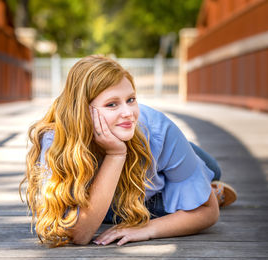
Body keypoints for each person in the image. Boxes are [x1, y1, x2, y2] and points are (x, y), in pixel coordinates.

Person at [20, 55, 237, 247]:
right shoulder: (56, 139)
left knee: (209, 170)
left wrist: (147, 230)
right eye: (112, 105)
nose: (128, 113)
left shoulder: (158, 129)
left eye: (131, 100)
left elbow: (208, 211)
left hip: (152, 185)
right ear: (83, 111)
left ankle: (208, 182)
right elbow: (79, 234)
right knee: (116, 212)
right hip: (111, 202)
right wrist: (116, 155)